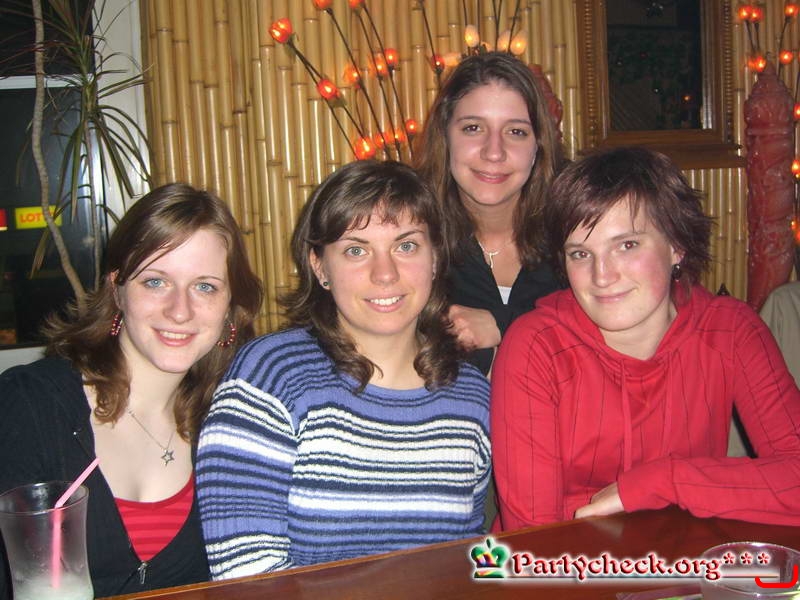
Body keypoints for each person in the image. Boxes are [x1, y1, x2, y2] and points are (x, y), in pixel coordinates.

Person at [196, 160, 491, 579]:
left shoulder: (471, 394)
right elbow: (246, 574)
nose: (385, 274)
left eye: (406, 246)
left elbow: (469, 557)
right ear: (320, 267)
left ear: (435, 257)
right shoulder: (272, 375)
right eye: (356, 250)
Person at [491, 146, 800, 530]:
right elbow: (533, 536)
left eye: (627, 245)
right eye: (580, 254)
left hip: (686, 558)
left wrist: (664, 482)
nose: (602, 276)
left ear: (676, 245)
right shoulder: (536, 347)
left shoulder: (731, 330)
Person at [0, 183, 263, 598]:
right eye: (155, 282)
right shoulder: (31, 404)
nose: (180, 311)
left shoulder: (236, 422)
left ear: (230, 306)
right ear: (117, 289)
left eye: (205, 287)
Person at [415, 51, 564, 375]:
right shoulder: (411, 233)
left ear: (538, 144)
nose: (494, 152)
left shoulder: (577, 227)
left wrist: (503, 324)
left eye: (516, 132)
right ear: (445, 135)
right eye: (473, 128)